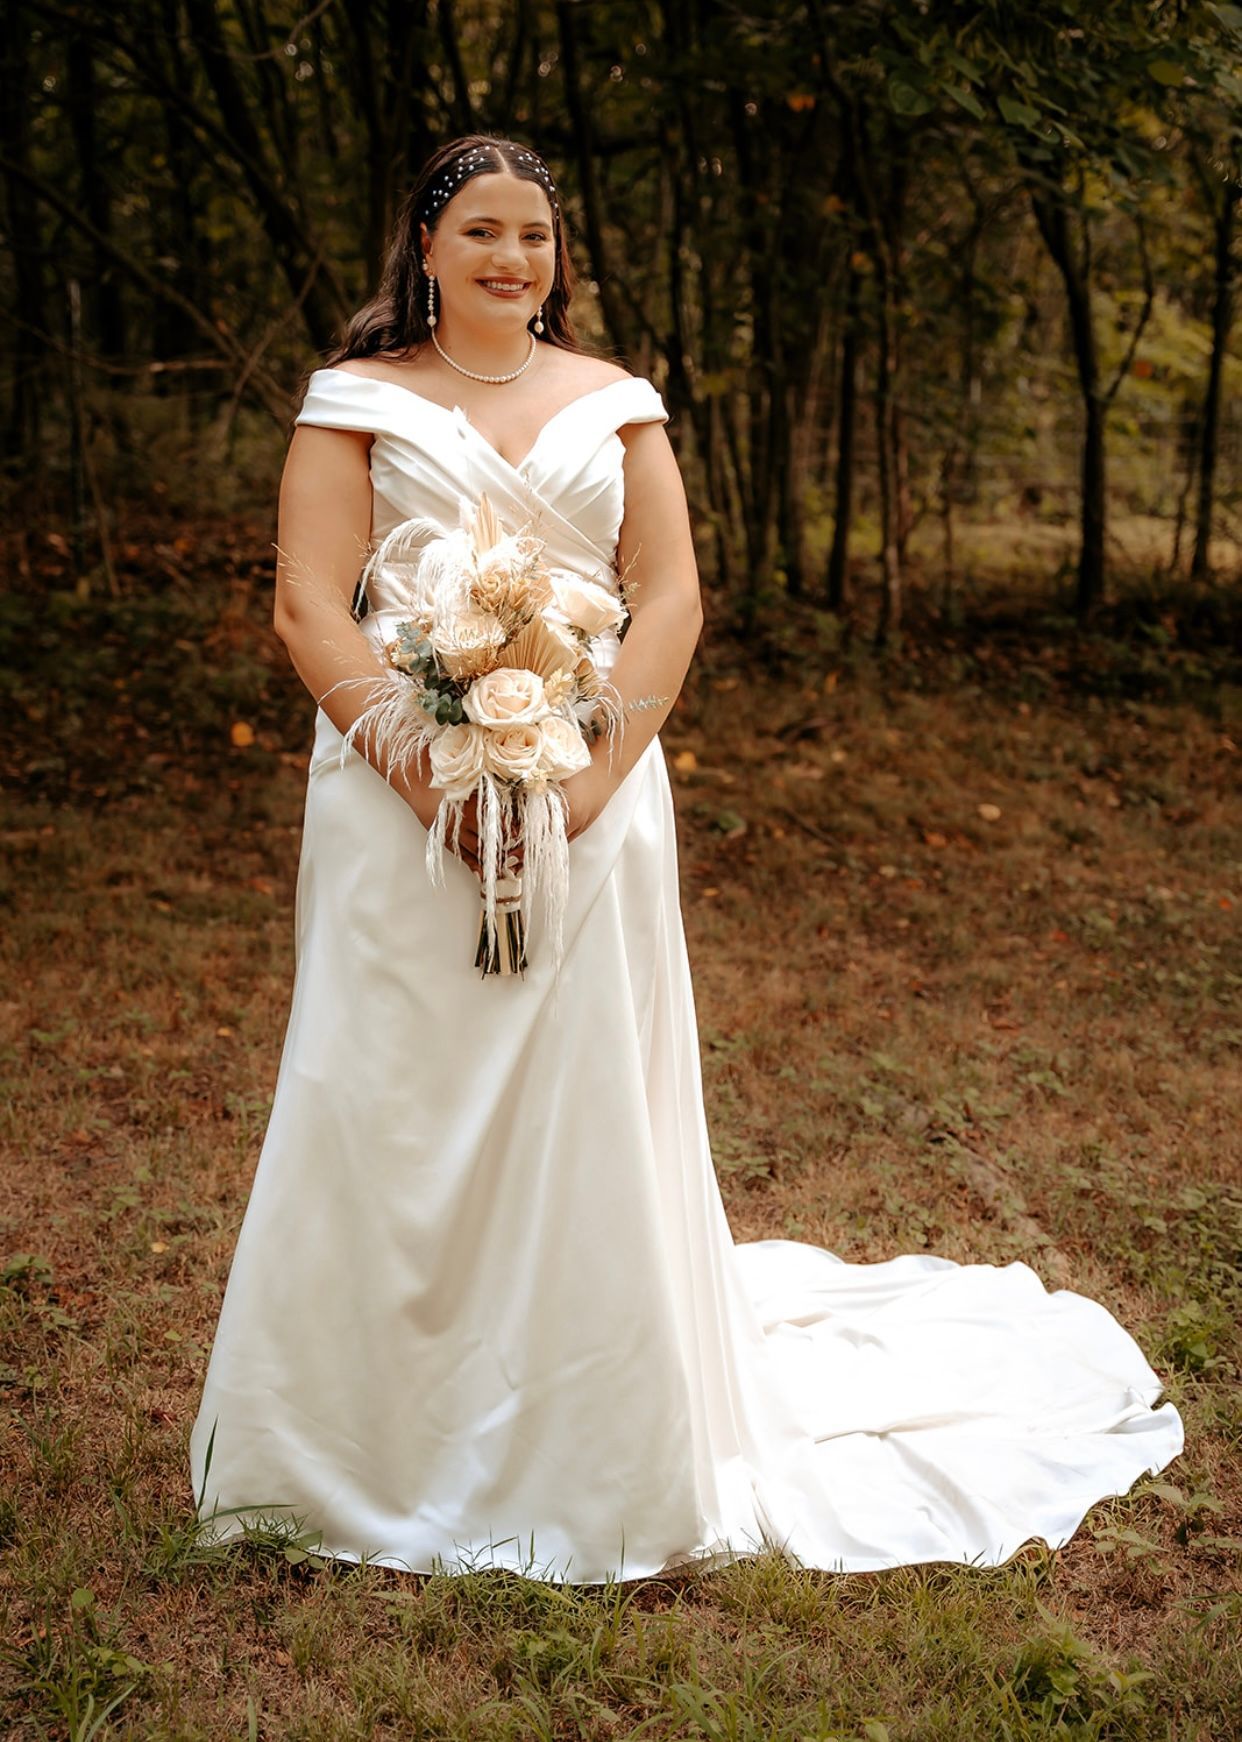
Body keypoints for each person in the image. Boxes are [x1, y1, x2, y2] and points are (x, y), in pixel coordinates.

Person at [188, 134, 1184, 1584]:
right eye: (479, 230)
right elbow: (306, 607)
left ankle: (593, 1445)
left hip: (594, 799)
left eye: (533, 232)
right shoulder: (352, 403)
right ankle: (362, 1439)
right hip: (396, 810)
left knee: (580, 1105)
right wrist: (430, 777)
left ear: (557, 255)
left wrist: (584, 786)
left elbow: (669, 600)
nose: (509, 257)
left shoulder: (620, 404)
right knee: (385, 1099)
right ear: (425, 248)